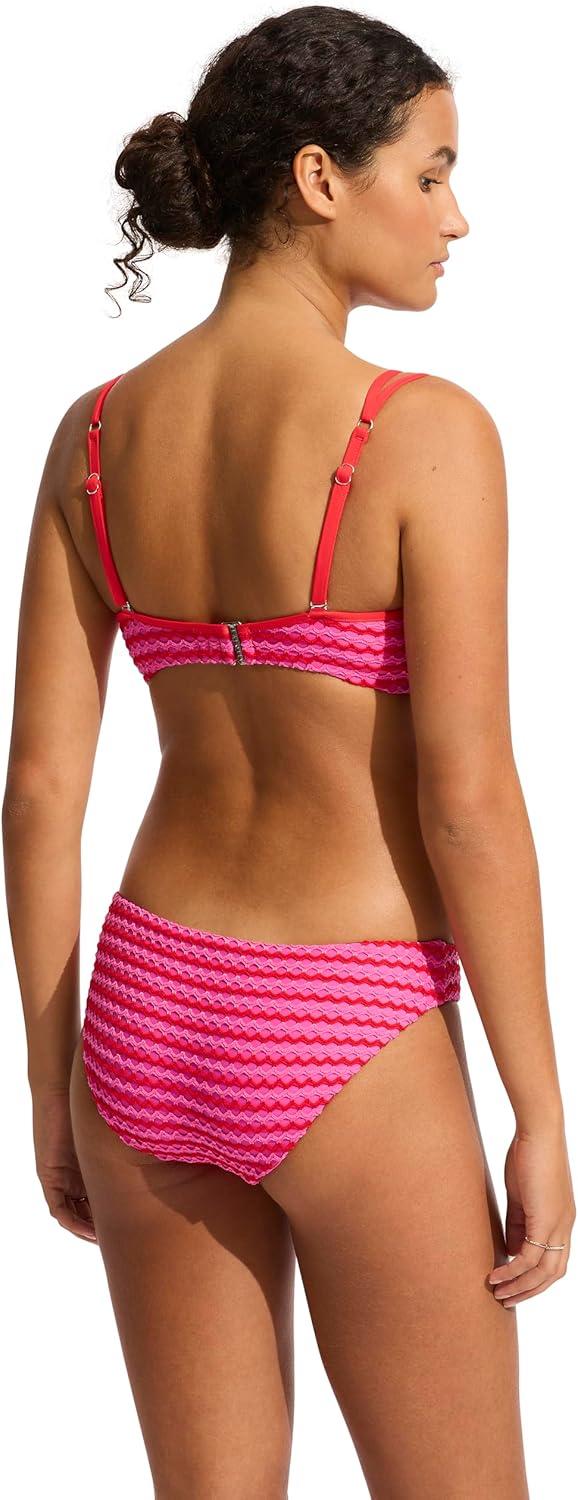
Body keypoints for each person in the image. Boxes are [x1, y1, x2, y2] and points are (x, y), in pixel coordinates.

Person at [3, 6, 574, 1497]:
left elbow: (41, 791)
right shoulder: (422, 432)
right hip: (348, 1021)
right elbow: (466, 803)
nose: (457, 218)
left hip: (144, 1017)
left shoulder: (92, 436)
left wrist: (52, 1077)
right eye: (432, 173)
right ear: (321, 178)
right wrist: (537, 1107)